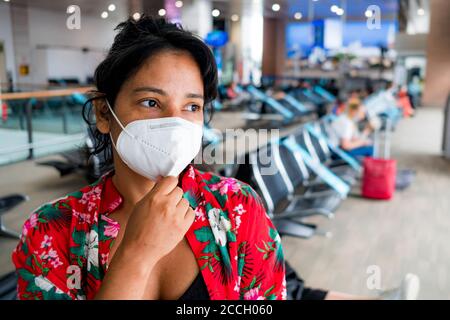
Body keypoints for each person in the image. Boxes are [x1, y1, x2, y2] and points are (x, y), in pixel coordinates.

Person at [11, 16, 286, 300]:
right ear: (104, 114)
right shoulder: (52, 229)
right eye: (151, 102)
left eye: (192, 106)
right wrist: (136, 255)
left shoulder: (238, 209)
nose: (175, 124)